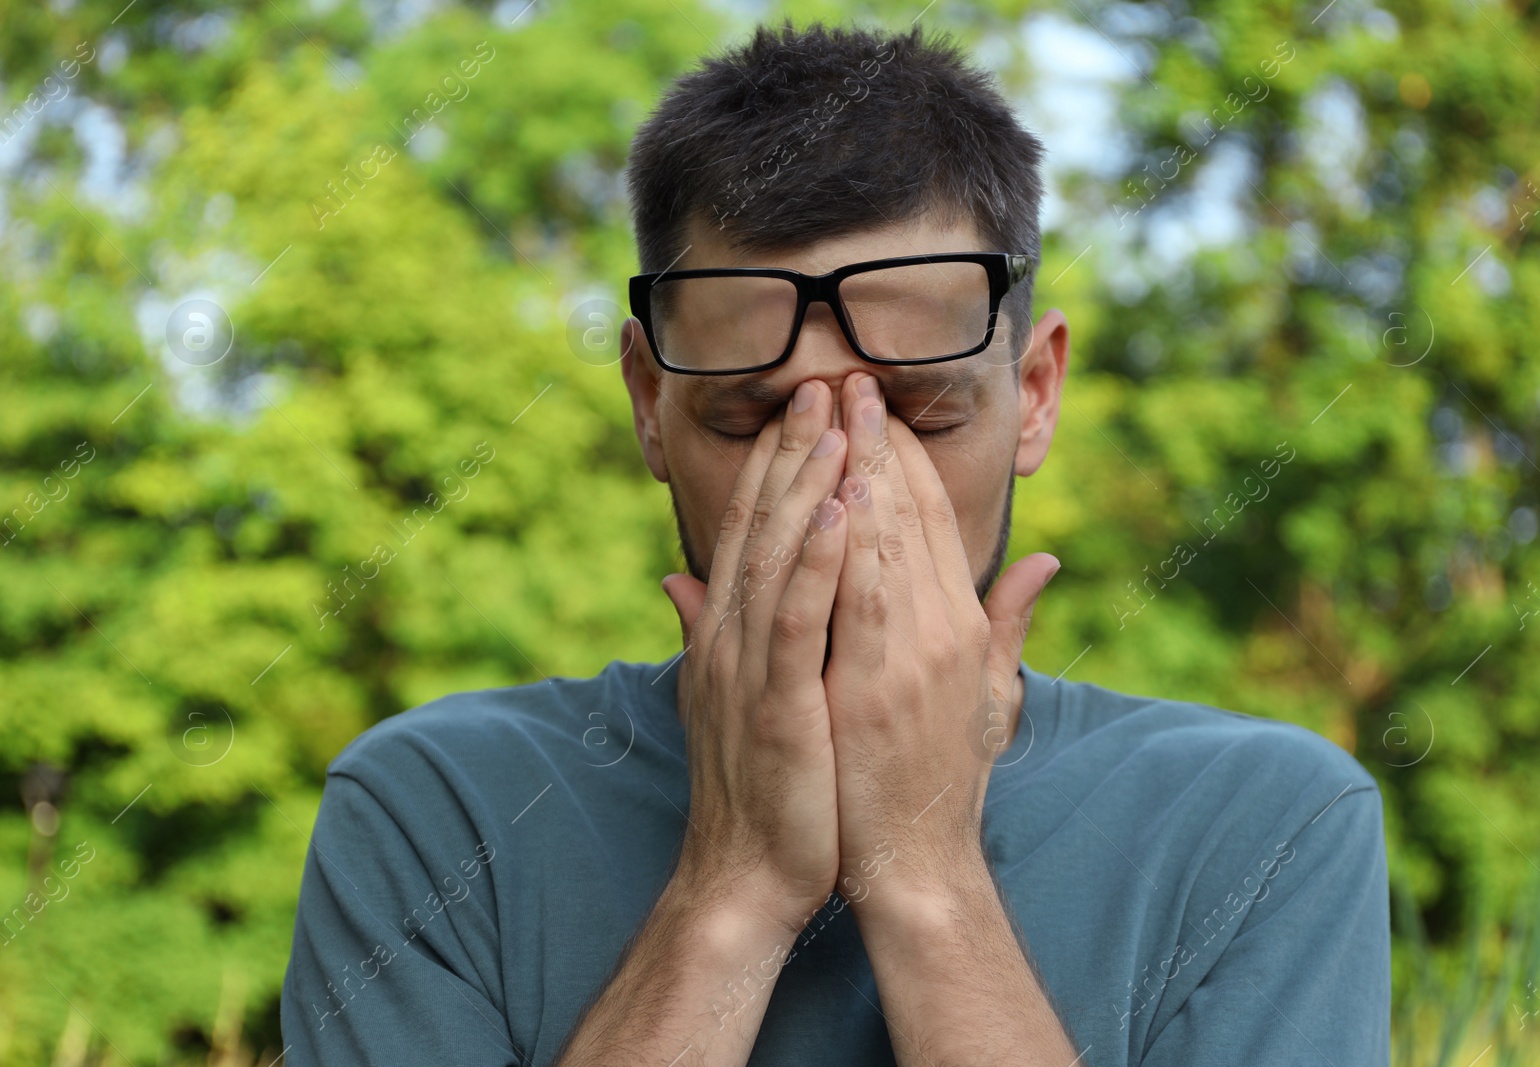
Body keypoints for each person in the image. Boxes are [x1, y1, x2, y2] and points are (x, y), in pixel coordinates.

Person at [280, 20, 1390, 1066]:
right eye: (756, 419)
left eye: (923, 414)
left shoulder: (1268, 826)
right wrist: (735, 883)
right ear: (646, 403)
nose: (841, 491)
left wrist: (926, 872)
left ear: (1036, 393)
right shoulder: (436, 811)